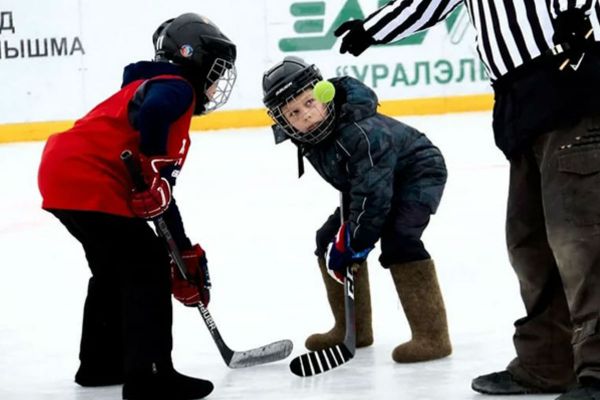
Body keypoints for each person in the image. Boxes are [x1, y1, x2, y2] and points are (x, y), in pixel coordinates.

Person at [333, 1, 600, 399]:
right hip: (522, 105)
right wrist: (374, 28)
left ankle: (596, 371)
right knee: (529, 245)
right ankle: (548, 363)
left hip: (574, 84)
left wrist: (584, 14)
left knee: (579, 241)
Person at [37, 13, 236, 400]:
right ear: (191, 59)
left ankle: (100, 364)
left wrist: (184, 250)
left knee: (113, 271)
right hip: (89, 177)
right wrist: (150, 164)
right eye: (215, 73)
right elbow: (155, 113)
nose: (214, 87)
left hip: (63, 173)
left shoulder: (149, 86)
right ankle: (150, 376)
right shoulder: (176, 88)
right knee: (146, 264)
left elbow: (161, 195)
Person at [261, 56, 452, 363]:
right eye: (293, 112)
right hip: (372, 181)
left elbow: (373, 197)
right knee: (327, 239)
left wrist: (357, 242)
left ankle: (433, 337)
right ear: (282, 120)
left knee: (399, 239)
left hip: (416, 173)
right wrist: (346, 237)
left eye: (309, 103)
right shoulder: (313, 136)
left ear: (323, 93)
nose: (305, 116)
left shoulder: (361, 132)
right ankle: (354, 328)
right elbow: (361, 187)